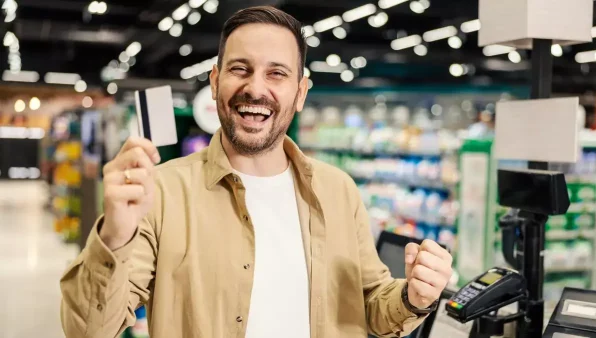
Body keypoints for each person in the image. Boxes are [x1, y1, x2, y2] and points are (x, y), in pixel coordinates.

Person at [60, 6, 453, 338]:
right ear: (215, 83)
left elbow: (371, 302)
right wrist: (114, 234)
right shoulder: (162, 192)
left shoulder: (338, 190)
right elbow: (91, 328)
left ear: (300, 93)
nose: (255, 88)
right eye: (240, 69)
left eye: (276, 73)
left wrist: (411, 297)